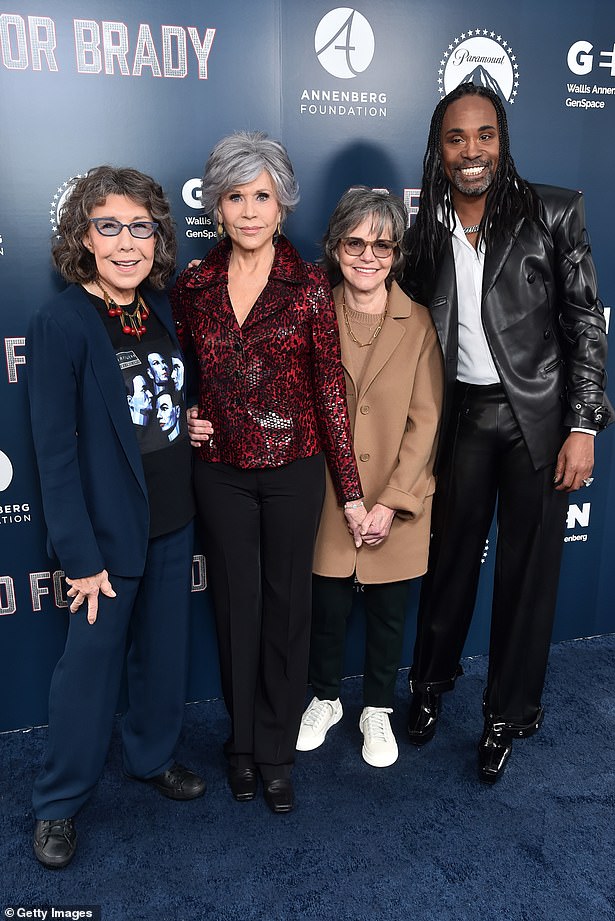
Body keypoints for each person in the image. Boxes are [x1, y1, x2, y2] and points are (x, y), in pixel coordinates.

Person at [402, 83, 615, 783]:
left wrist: (582, 424)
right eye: (457, 137)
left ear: (503, 140)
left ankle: (507, 713)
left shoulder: (553, 211)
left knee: (527, 578)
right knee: (448, 564)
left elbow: (585, 323)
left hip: (538, 423)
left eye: (484, 135)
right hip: (459, 417)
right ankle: (429, 686)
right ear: (440, 147)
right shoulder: (424, 228)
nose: (472, 151)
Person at [171, 131, 364, 814]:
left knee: (287, 611)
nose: (250, 209)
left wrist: (351, 489)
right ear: (216, 206)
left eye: (262, 195)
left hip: (295, 467)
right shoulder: (192, 287)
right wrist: (186, 409)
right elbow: (173, 376)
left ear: (282, 204)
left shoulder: (311, 284)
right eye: (235, 196)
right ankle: (242, 746)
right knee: (236, 610)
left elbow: (330, 391)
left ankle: (277, 753)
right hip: (219, 472)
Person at [27, 166, 205, 870]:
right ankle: (58, 804)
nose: (127, 242)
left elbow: (152, 398)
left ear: (157, 236)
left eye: (141, 227)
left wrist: (181, 423)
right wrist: (79, 555)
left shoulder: (157, 307)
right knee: (89, 671)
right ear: (83, 236)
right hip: (102, 535)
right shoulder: (64, 322)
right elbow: (53, 454)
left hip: (172, 515)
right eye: (110, 226)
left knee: (162, 659)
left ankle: (152, 758)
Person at [296, 187, 443, 767]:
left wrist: (390, 502)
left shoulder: (420, 321)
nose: (368, 255)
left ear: (397, 252)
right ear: (334, 247)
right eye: (355, 242)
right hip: (329, 495)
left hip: (396, 496)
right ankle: (326, 698)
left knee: (388, 613)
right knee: (326, 609)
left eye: (382, 245)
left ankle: (377, 708)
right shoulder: (313, 312)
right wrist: (351, 501)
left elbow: (425, 418)